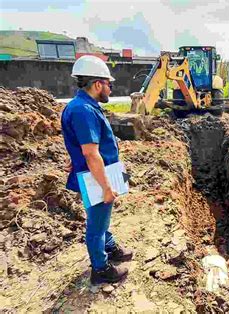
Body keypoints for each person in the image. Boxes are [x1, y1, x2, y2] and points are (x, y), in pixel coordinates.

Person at [61, 55, 133, 285]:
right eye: (108, 84)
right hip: (97, 175)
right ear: (97, 84)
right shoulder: (84, 111)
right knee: (96, 224)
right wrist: (106, 187)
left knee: (101, 218)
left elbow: (82, 145)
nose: (110, 89)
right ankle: (100, 270)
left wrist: (75, 159)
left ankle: (109, 246)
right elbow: (91, 153)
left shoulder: (83, 106)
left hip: (104, 169)